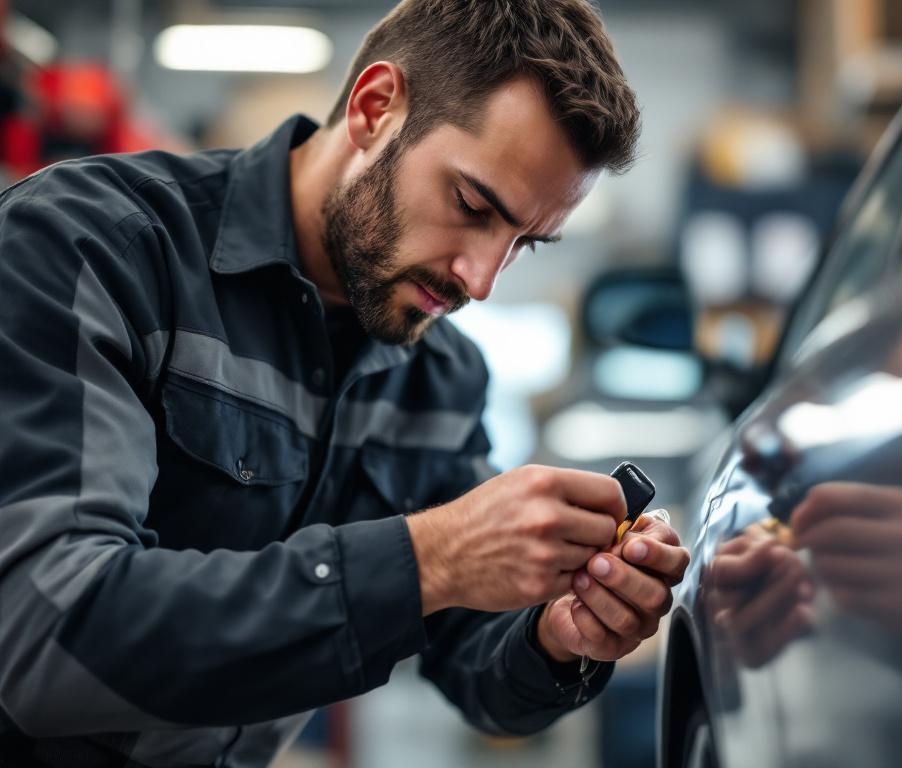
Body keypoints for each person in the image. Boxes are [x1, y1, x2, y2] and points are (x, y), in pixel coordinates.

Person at [0, 1, 691, 765]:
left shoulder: (440, 376)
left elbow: (474, 660)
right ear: (374, 109)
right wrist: (426, 558)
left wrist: (558, 636)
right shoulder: (91, 250)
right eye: (470, 204)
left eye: (525, 243)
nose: (482, 279)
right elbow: (45, 636)